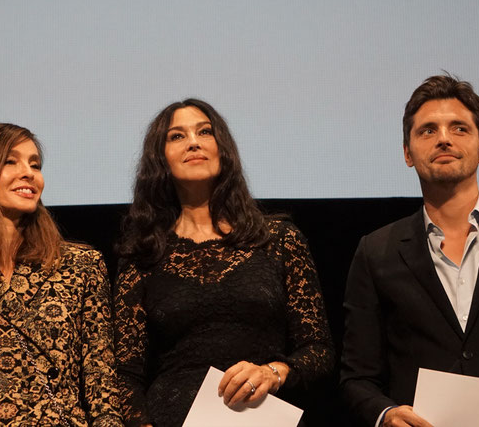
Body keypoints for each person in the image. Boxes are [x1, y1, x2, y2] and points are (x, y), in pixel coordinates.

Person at [340, 74, 479, 427]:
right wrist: (386, 413)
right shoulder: (376, 251)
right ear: (408, 154)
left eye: (459, 129)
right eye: (427, 130)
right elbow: (357, 377)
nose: (443, 139)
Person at [114, 98, 334, 427]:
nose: (193, 142)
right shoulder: (143, 255)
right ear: (160, 160)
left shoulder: (279, 239)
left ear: (223, 149)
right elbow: (125, 375)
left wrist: (274, 372)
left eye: (205, 132)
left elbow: (318, 348)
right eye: (177, 136)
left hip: (263, 417)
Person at [0, 123, 123, 426]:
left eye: (35, 164)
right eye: (10, 161)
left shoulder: (81, 266)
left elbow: (101, 383)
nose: (29, 172)